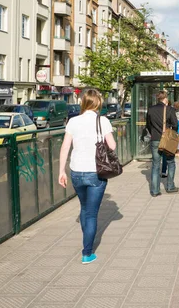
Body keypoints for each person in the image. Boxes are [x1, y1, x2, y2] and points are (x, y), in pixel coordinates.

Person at [58, 89, 116, 264]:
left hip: (76, 171)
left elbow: (65, 147)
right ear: (98, 103)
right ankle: (87, 252)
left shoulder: (73, 121)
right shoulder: (103, 121)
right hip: (96, 172)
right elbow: (112, 146)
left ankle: (87, 242)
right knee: (91, 214)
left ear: (83, 102)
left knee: (83, 208)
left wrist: (61, 171)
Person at [145, 91, 178, 196]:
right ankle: (170, 186)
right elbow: (175, 125)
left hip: (155, 139)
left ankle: (155, 191)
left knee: (155, 165)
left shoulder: (151, 109)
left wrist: (154, 133)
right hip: (166, 140)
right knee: (171, 162)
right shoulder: (170, 109)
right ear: (166, 98)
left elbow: (148, 125)